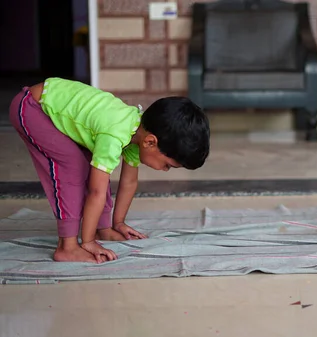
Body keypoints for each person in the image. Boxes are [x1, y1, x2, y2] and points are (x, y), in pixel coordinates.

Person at [9, 78, 210, 263]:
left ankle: (101, 229)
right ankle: (67, 246)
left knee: (95, 170)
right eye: (168, 165)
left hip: (50, 107)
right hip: (31, 108)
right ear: (151, 142)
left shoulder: (137, 132)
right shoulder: (114, 135)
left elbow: (129, 182)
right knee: (73, 167)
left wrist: (118, 223)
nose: (165, 170)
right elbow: (97, 191)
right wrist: (87, 242)